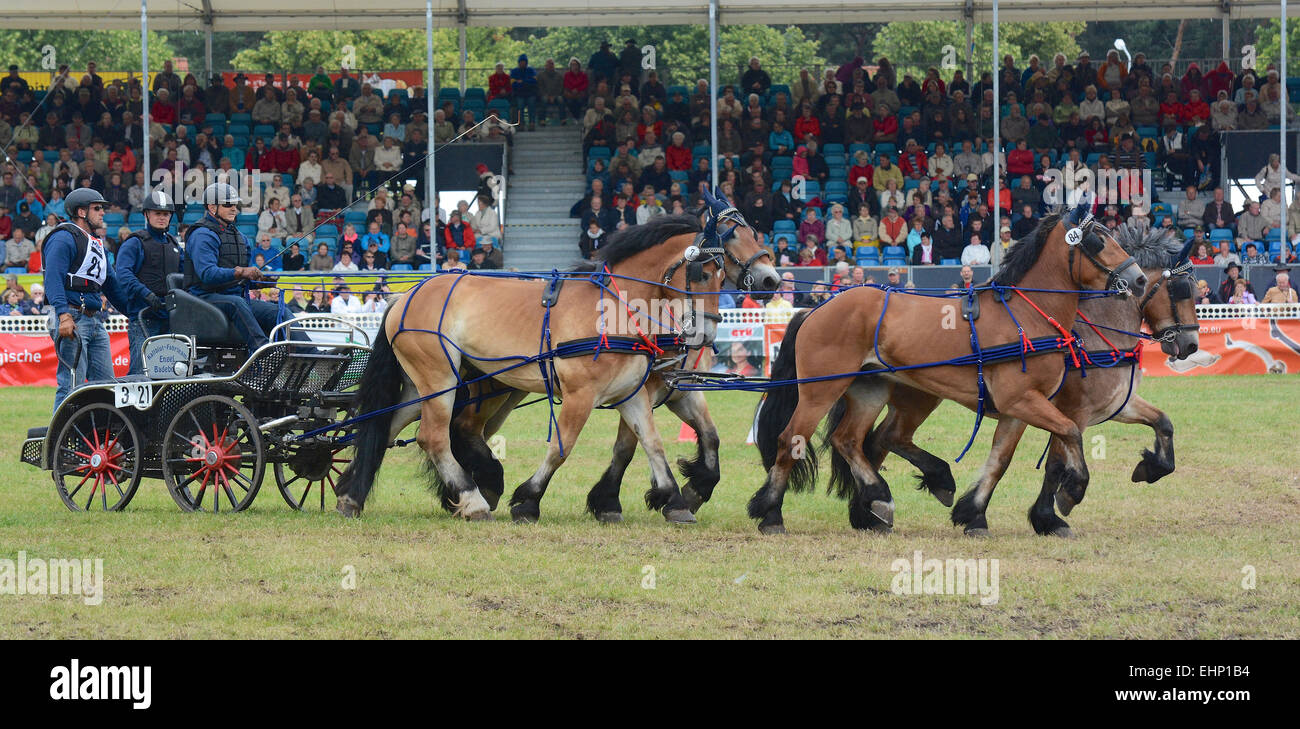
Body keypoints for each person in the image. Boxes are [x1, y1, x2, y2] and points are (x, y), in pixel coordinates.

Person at [41, 188, 130, 411]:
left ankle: (96, 439)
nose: (103, 213)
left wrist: (135, 313)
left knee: (106, 386)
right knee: (72, 385)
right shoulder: (63, 238)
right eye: (97, 208)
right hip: (72, 317)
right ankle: (56, 443)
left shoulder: (96, 244)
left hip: (94, 320)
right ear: (81, 211)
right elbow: (53, 279)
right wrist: (63, 314)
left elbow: (111, 285)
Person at [184, 182, 279, 353]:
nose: (234, 209)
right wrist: (242, 271)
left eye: (235, 204)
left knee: (277, 311)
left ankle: (309, 355)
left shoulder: (240, 237)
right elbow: (207, 274)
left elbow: (242, 277)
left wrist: (259, 282)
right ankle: (264, 353)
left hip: (235, 297)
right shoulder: (202, 235)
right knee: (236, 303)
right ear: (212, 207)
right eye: (228, 204)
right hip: (204, 298)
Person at [115, 190, 182, 375]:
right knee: (139, 373)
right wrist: (146, 294)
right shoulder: (135, 242)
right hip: (144, 317)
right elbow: (123, 274)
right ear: (146, 214)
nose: (162, 218)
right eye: (157, 213)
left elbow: (186, 277)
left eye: (165, 214)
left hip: (170, 318)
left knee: (169, 374)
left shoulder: (174, 245)